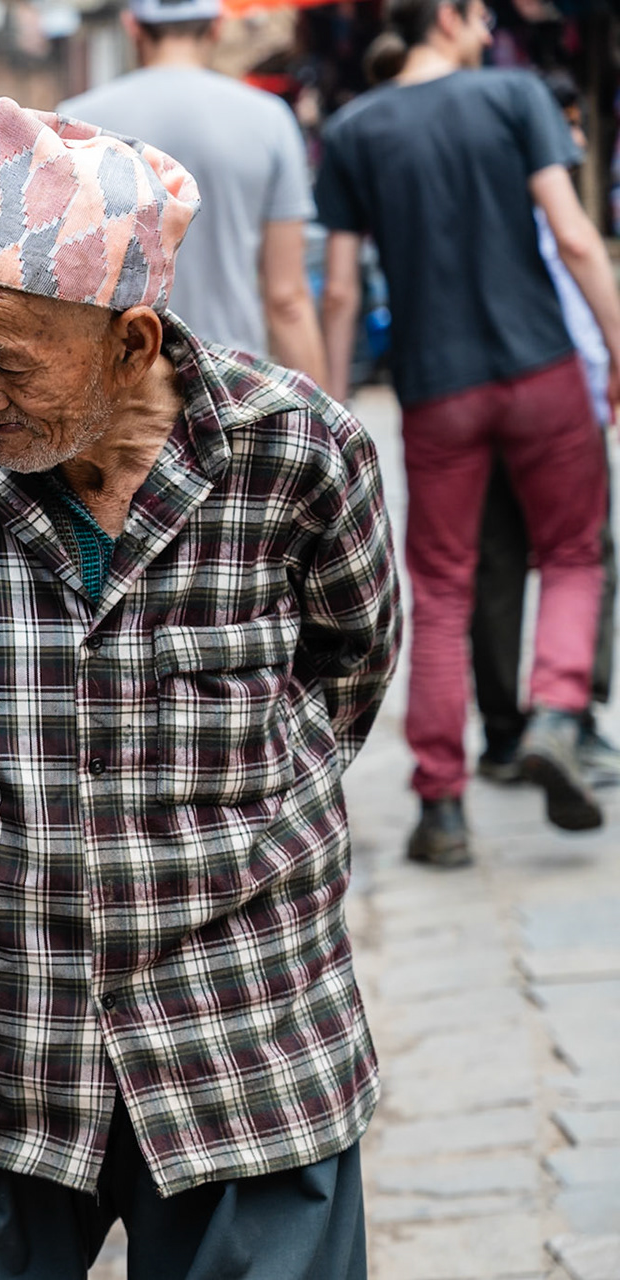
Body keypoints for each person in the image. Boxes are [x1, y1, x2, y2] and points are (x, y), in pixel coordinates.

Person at [0, 98, 398, 1278]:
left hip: (241, 1013)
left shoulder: (296, 449)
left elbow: (346, 675)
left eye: (9, 362)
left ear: (133, 343)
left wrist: (216, 827)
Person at [317, 0, 620, 865]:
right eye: (480, 12)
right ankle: (558, 713)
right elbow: (573, 236)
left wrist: (334, 409)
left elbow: (339, 291)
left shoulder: (352, 129)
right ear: (445, 16)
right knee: (571, 554)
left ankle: (442, 809)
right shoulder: (515, 96)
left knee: (442, 590)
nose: (490, 26)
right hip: (543, 373)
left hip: (435, 390)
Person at [471, 70, 620, 790]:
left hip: (473, 397)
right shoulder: (551, 210)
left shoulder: (481, 203)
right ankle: (569, 719)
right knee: (582, 554)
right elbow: (579, 267)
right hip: (555, 396)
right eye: (570, 122)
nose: (580, 137)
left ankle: (504, 735)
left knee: (496, 561)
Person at [60, 0, 326, 383]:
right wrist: (324, 420)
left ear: (132, 27)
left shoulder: (75, 121)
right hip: (231, 379)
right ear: (216, 27)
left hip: (115, 382)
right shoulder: (270, 120)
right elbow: (287, 299)